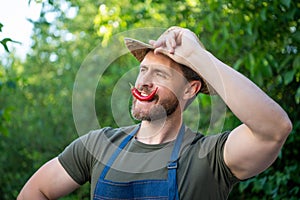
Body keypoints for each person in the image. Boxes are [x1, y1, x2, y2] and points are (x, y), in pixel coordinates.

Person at [17, 26, 292, 200]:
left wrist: (197, 55)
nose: (143, 82)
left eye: (159, 73)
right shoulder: (98, 145)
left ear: (190, 90)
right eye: (142, 70)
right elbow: (34, 192)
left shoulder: (210, 158)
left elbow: (274, 129)